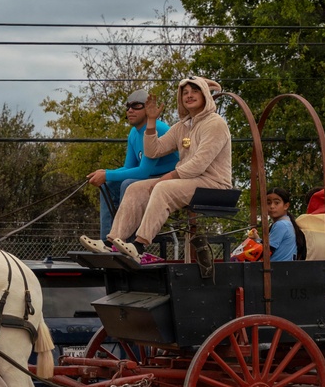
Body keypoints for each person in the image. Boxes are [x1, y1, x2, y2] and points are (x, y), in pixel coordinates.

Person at [79, 76, 232, 263]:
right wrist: (151, 121)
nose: (189, 96)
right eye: (185, 92)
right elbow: (154, 151)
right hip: (189, 181)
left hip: (214, 184)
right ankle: (112, 243)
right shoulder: (182, 126)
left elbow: (199, 163)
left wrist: (166, 178)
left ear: (205, 95)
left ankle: (139, 245)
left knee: (162, 188)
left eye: (195, 91)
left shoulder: (215, 123)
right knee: (135, 188)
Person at [86, 89, 177, 243]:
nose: (130, 110)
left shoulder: (158, 129)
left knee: (128, 184)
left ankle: (125, 241)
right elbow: (129, 167)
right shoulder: (134, 133)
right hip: (151, 176)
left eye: (136, 106)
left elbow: (143, 172)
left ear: (148, 109)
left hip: (170, 177)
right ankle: (107, 242)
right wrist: (105, 173)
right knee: (109, 185)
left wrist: (107, 174)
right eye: (128, 107)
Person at [265, 187, 306, 261]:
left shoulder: (281, 225)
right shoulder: (287, 223)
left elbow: (266, 251)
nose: (272, 206)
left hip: (277, 270)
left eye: (276, 203)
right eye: (268, 203)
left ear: (286, 206)